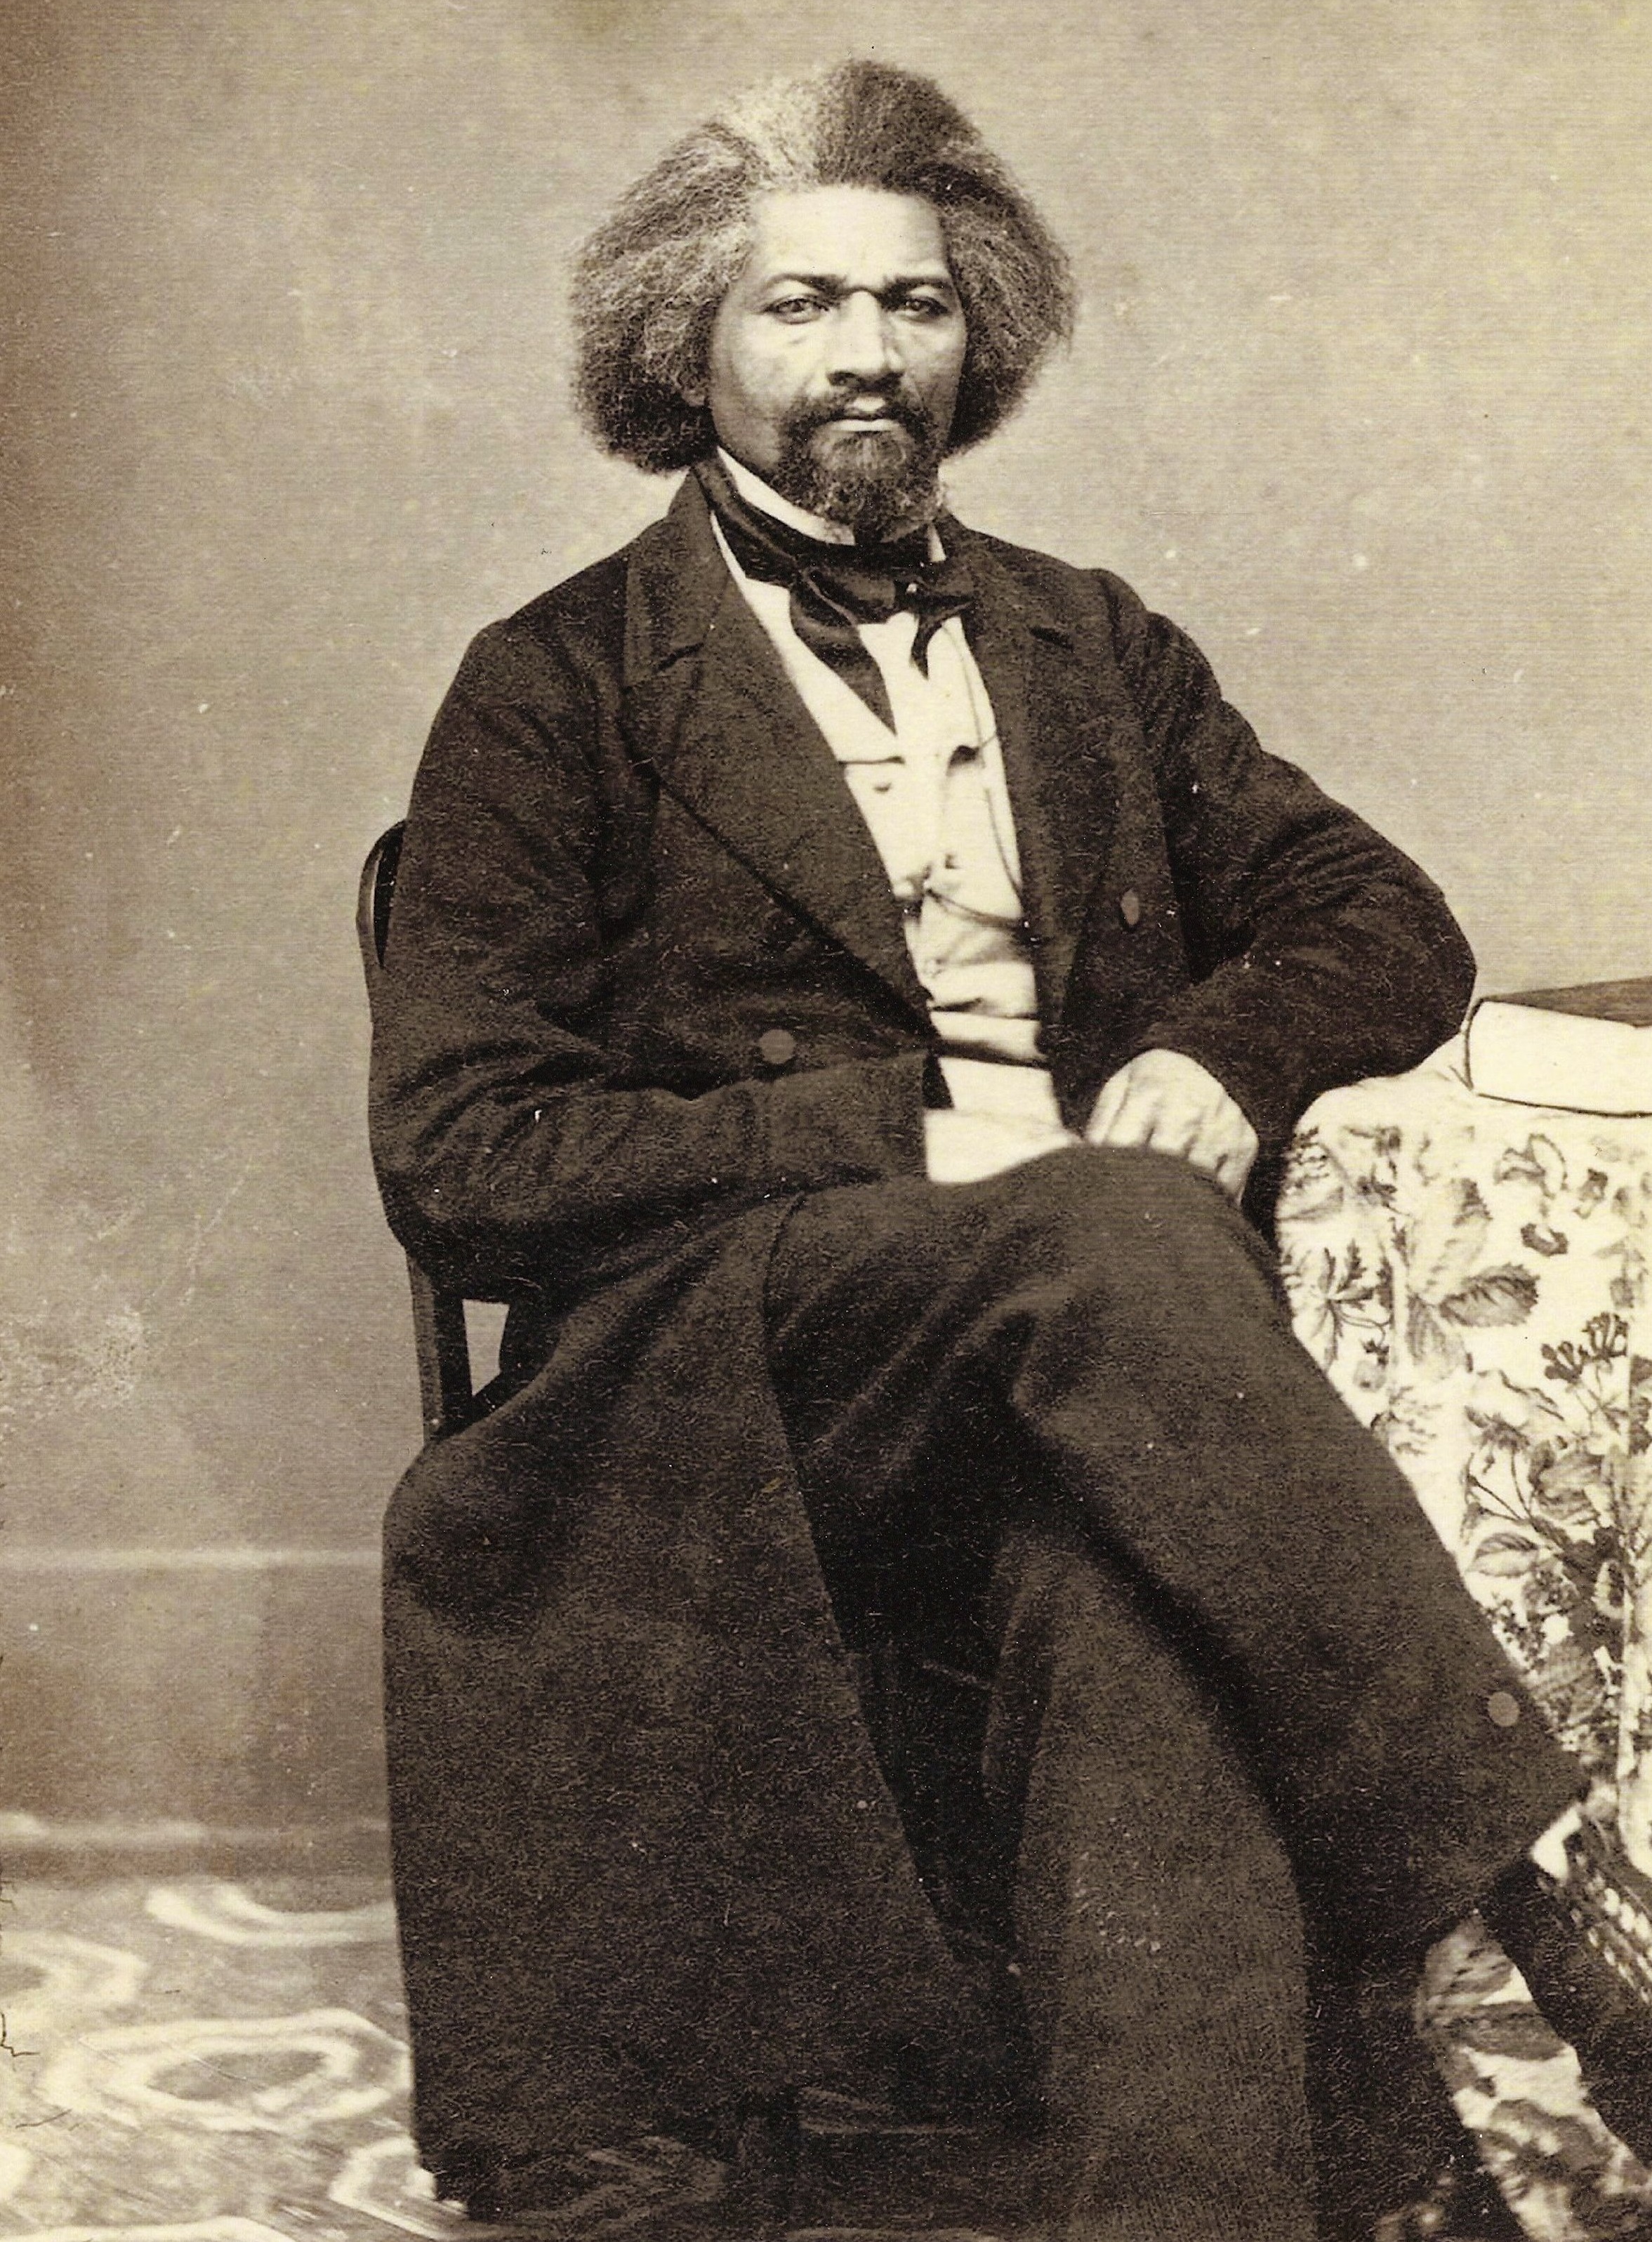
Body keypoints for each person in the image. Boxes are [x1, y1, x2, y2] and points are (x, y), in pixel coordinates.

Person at [367, 61, 1652, 2242]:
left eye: (916, 303)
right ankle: (1540, 1873)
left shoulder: (1086, 641)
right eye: (797, 305)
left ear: (983, 338)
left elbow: (1375, 914)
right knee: (1106, 1229)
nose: (866, 353)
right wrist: (900, 1126)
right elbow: (464, 1151)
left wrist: (1229, 1057)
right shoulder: (554, 681)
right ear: (686, 349)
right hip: (733, 1377)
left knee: (1132, 1585)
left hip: (1095, 1361)